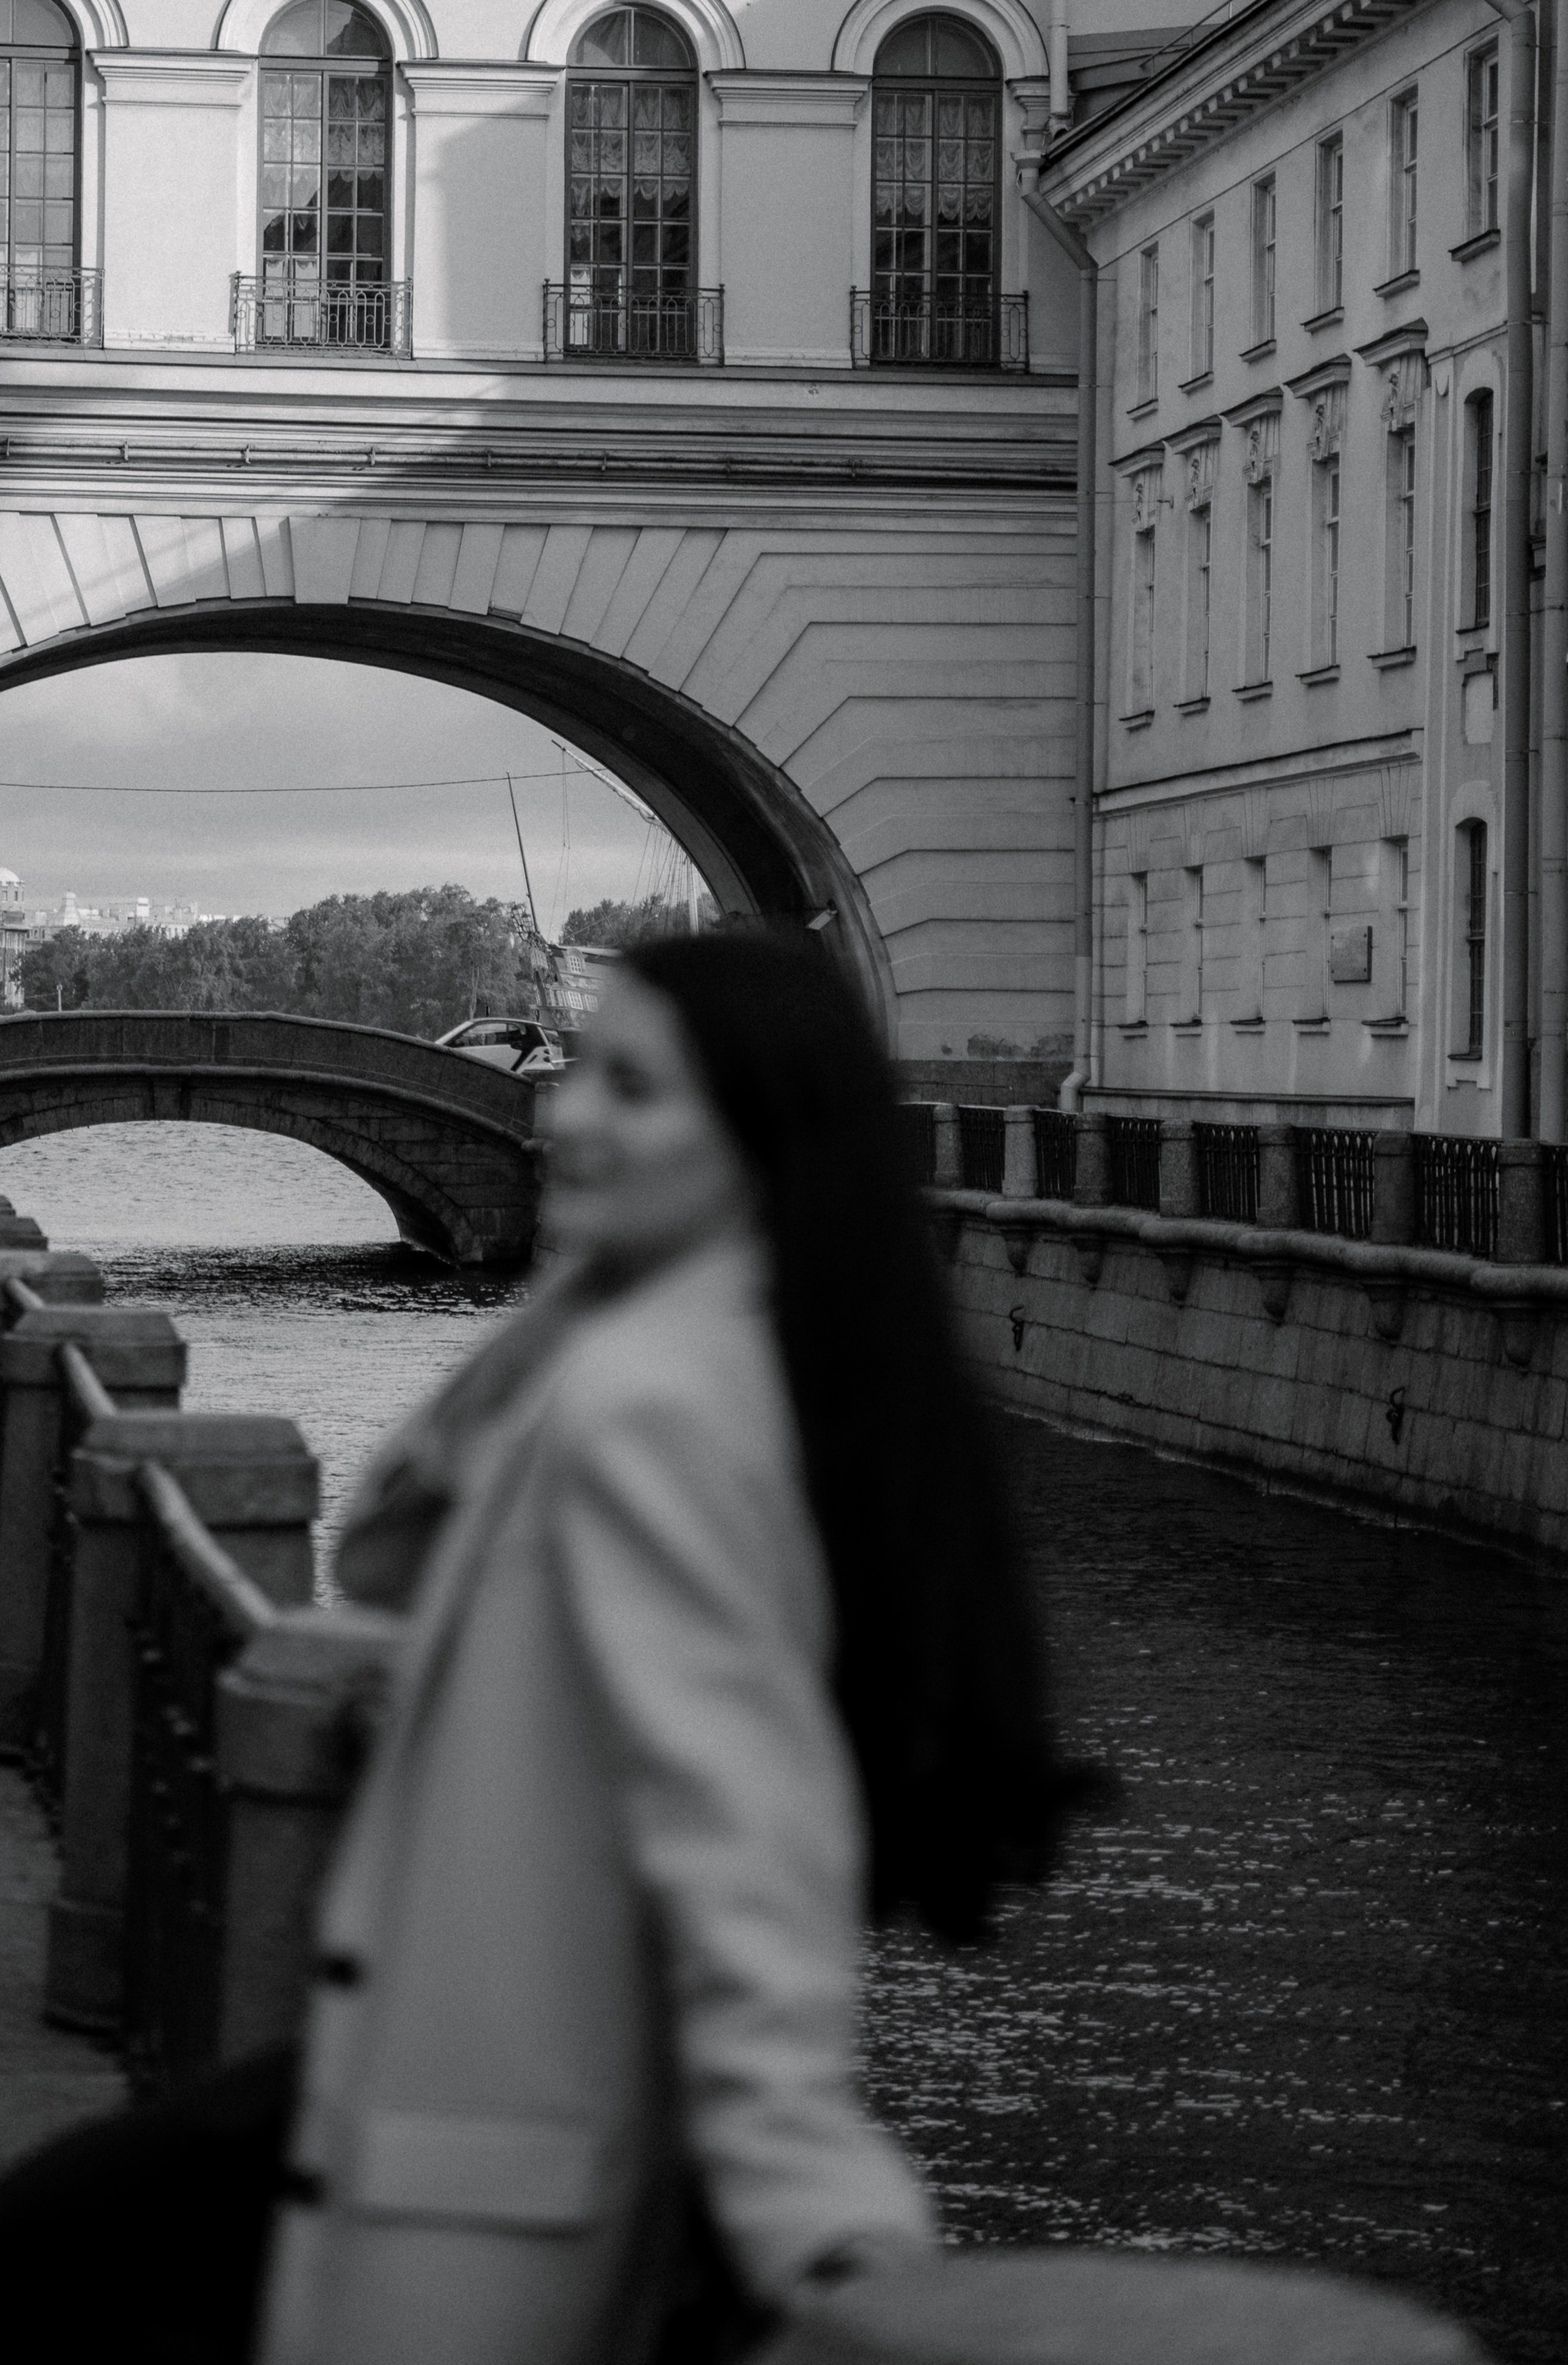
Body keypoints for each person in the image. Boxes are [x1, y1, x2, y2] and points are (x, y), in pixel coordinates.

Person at [255, 925, 1087, 2365]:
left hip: (492, 2162)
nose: (562, 1111)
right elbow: (393, 1547)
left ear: (761, 1140)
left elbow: (745, 1830)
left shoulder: (652, 1408)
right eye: (578, 1072)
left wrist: (825, 2226)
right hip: (480, 2106)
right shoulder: (678, 1353)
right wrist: (591, 1287)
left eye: (632, 1091)